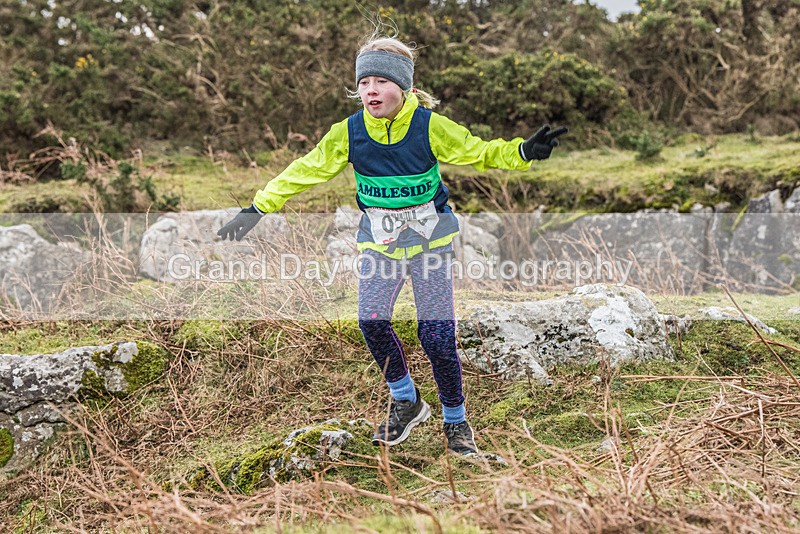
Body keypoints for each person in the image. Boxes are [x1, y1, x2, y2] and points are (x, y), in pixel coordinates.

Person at [218, 33, 567, 455]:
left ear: (404, 88)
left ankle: (457, 425)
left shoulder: (429, 126)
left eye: (381, 82)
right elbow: (304, 169)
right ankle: (407, 400)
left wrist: (523, 152)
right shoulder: (348, 132)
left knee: (436, 336)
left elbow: (478, 152)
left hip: (430, 244)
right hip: (380, 246)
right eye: (364, 83)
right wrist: (257, 208)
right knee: (370, 321)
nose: (370, 91)